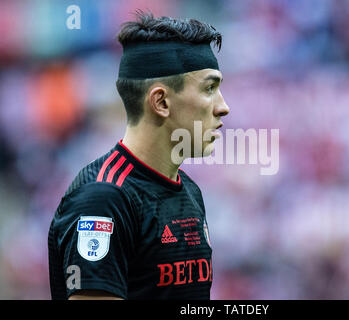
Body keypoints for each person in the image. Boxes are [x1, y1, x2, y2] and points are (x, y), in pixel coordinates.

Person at [48, 10, 229, 300]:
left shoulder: (190, 191)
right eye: (210, 88)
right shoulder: (104, 198)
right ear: (161, 101)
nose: (223, 107)